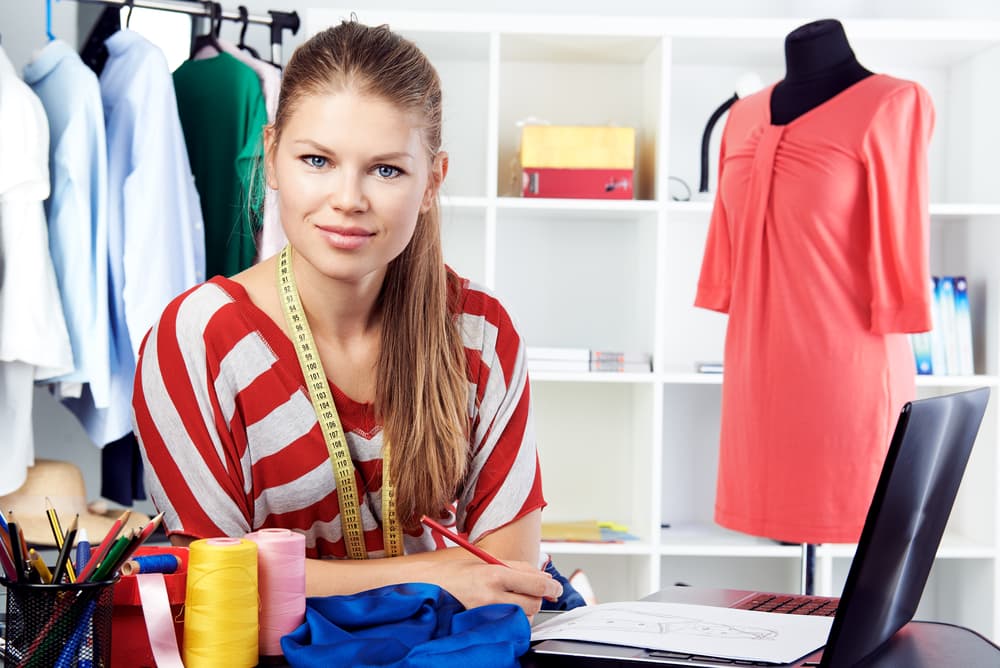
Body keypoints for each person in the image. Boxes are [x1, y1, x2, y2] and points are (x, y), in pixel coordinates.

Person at [131, 20, 566, 619]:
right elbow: (216, 596)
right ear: (272, 157)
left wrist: (294, 581)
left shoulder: (481, 334)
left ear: (433, 181)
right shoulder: (195, 342)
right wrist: (443, 574)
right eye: (317, 160)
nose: (348, 199)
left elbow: (511, 591)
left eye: (386, 169)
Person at [695, 18, 934, 545]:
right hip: (755, 370)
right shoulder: (741, 116)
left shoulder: (892, 104)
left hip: (849, 369)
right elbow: (726, 256)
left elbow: (903, 237)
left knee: (857, 538)